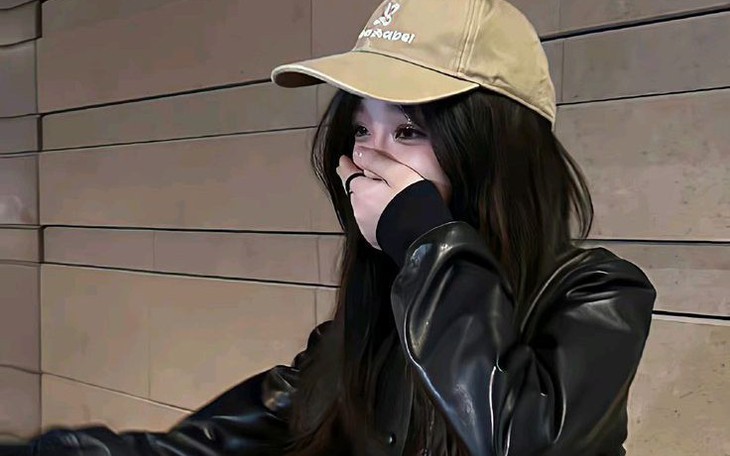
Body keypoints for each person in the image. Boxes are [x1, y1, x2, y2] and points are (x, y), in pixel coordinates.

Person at [1, 0, 656, 455]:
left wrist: (425, 241)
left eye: (408, 131)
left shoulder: (596, 294)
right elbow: (226, 440)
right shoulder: (376, 318)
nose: (368, 160)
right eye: (360, 130)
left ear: (494, 151)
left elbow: (520, 441)